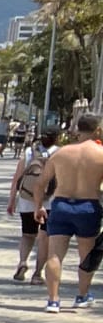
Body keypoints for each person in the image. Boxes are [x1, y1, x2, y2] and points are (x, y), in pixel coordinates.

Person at [33, 112, 103, 312]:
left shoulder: (61, 153)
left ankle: (53, 300)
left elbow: (40, 184)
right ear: (97, 129)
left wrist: (38, 207)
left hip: (61, 205)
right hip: (88, 206)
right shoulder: (100, 154)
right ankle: (81, 295)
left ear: (77, 129)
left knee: (55, 254)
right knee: (86, 255)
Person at [8, 127, 59, 284]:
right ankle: (37, 274)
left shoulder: (30, 152)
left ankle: (23, 261)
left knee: (27, 234)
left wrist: (12, 200)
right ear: (56, 138)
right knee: (44, 237)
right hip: (50, 201)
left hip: (27, 199)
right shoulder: (60, 153)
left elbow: (18, 178)